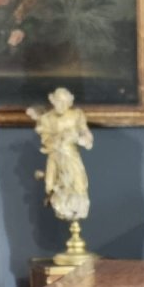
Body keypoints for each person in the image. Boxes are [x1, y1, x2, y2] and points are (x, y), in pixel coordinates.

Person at [26, 89, 94, 222]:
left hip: (72, 157)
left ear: (69, 102)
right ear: (52, 101)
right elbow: (46, 140)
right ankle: (62, 206)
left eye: (65, 102)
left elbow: (86, 134)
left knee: (79, 183)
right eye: (58, 102)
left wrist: (83, 139)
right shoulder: (47, 118)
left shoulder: (76, 115)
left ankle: (77, 208)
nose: (61, 105)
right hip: (56, 156)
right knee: (52, 185)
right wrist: (60, 139)